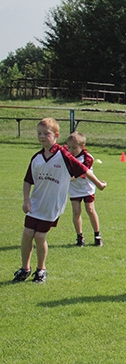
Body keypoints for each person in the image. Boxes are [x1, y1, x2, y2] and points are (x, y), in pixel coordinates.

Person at [13, 118, 107, 284]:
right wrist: (26, 200)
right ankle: (24, 268)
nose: (42, 137)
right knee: (27, 234)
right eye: (39, 133)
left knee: (40, 236)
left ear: (56, 135)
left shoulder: (64, 155)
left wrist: (99, 184)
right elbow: (28, 180)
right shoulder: (37, 158)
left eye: (46, 133)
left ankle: (41, 270)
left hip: (51, 206)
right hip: (36, 203)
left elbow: (84, 170)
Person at [65, 132, 103, 247]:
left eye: (74, 147)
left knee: (90, 209)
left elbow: (82, 172)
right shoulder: (67, 156)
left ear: (82, 146)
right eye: (69, 147)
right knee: (76, 211)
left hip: (87, 188)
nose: (71, 150)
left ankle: (97, 235)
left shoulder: (87, 157)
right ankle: (79, 237)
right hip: (75, 189)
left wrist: (68, 179)